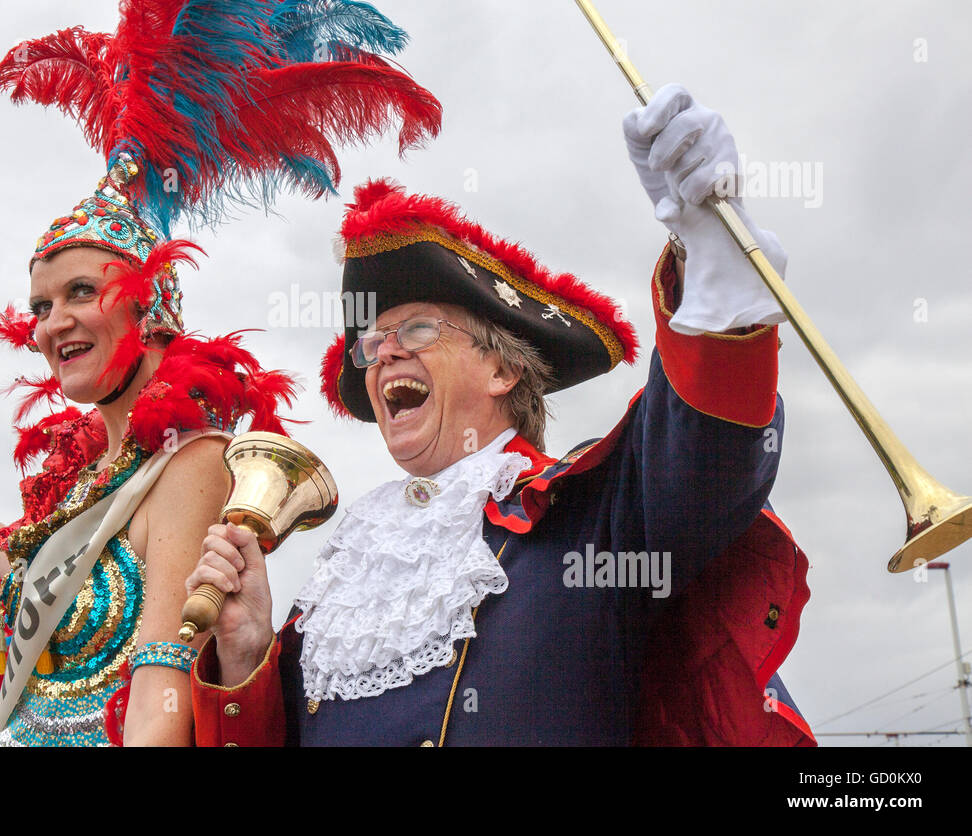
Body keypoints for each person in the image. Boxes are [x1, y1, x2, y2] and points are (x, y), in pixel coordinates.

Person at [0, 0, 441, 747]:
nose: (52, 322)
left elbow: (160, 691)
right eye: (39, 305)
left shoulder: (191, 461)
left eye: (79, 294)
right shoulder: (77, 475)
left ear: (153, 307)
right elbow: (38, 566)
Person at [186, 84, 816, 746]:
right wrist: (244, 655)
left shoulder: (589, 521)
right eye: (371, 344)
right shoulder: (343, 583)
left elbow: (705, 451)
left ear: (502, 369)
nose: (383, 353)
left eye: (419, 329)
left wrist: (711, 274)